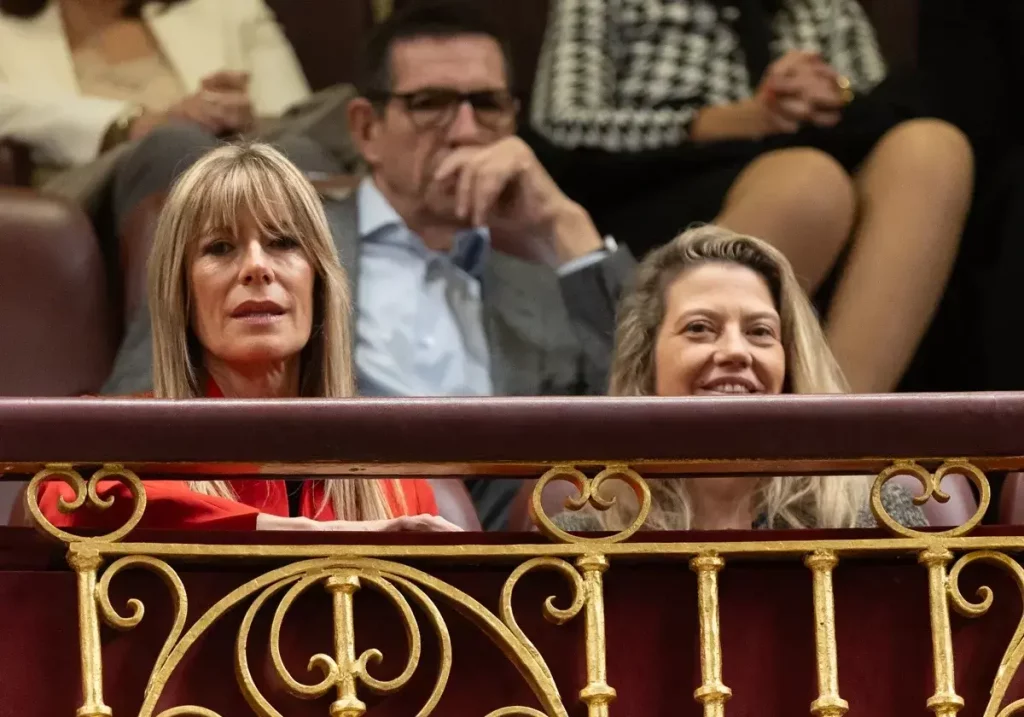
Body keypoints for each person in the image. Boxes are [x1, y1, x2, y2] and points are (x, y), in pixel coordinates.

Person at [102, 0, 637, 531]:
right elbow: (145, 407)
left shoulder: (546, 274)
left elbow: (641, 412)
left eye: (488, 104)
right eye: (431, 103)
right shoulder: (275, 234)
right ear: (365, 128)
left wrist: (565, 224)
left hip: (508, 555)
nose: (465, 131)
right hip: (308, 509)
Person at [529, 0, 974, 395]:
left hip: (813, 148)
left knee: (931, 150)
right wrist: (718, 122)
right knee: (808, 186)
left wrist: (828, 96)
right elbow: (562, 124)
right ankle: (664, 423)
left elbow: (881, 98)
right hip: (662, 175)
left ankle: (834, 435)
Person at [36, 143, 461, 533]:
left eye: (282, 243)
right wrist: (288, 534)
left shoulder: (392, 474)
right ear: (182, 294)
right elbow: (61, 502)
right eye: (220, 248)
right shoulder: (119, 442)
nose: (257, 267)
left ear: (316, 283)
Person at [552, 226, 974, 532]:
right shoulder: (586, 534)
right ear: (647, 363)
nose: (736, 351)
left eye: (760, 332)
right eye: (700, 328)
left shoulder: (874, 518)